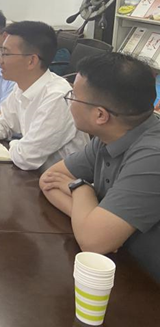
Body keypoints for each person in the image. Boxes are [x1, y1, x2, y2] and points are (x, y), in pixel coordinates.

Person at [39, 52, 160, 282]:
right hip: (121, 266)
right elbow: (49, 179)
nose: (70, 101)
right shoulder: (110, 135)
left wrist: (81, 189)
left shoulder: (153, 156)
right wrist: (89, 221)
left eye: (74, 96)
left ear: (100, 115)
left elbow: (93, 242)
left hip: (147, 284)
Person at [0, 21, 89, 171]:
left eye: (6, 54)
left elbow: (26, 158)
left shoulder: (57, 97)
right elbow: (5, 122)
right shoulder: (22, 86)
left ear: (31, 61)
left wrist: (14, 144)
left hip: (59, 179)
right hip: (34, 175)